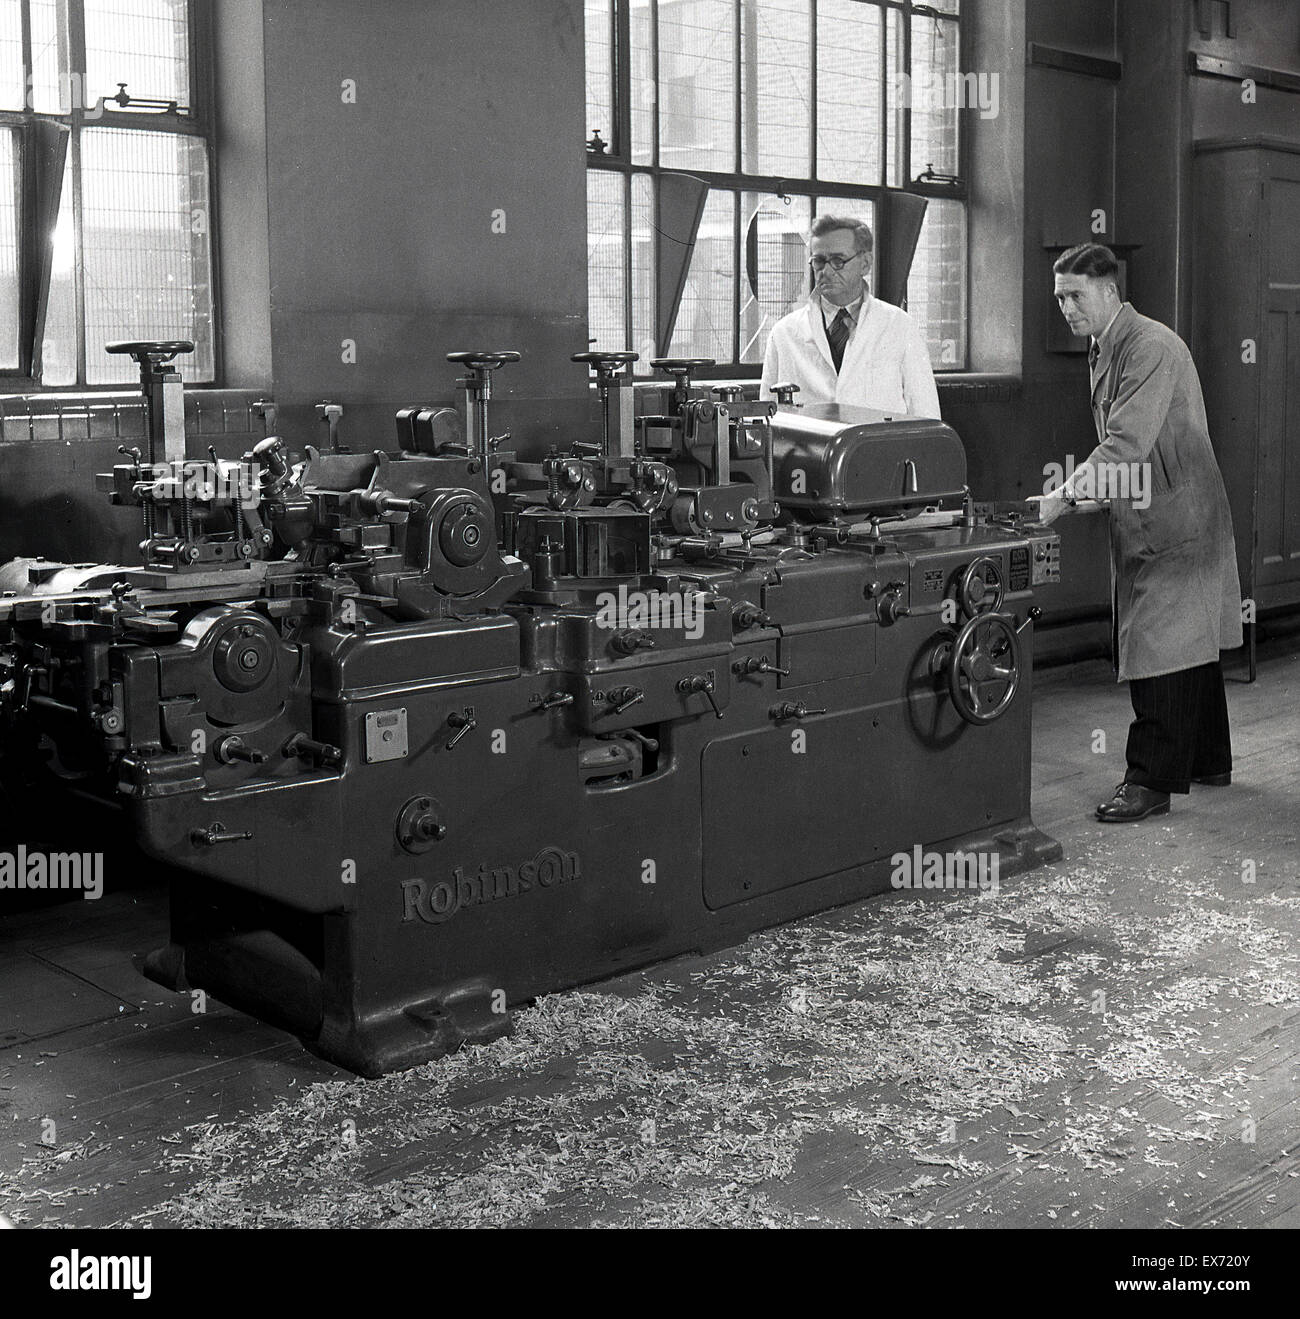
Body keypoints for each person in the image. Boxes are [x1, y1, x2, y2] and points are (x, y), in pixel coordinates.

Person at [1037, 243, 1243, 823]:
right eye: (1059, 298)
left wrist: (1064, 494)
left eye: (1075, 296)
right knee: (1189, 640)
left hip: (1179, 519)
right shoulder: (1107, 347)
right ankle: (1208, 758)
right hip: (1154, 510)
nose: (1066, 309)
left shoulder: (1148, 345)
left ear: (1108, 291)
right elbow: (1133, 452)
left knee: (1160, 644)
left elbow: (1125, 441)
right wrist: (1088, 495)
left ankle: (1149, 781)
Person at [758, 215, 942, 419]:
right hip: (812, 450)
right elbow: (767, 417)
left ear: (865, 263)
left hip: (881, 449)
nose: (826, 271)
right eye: (819, 261)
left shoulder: (900, 326)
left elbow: (926, 412)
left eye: (838, 261)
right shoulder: (784, 333)